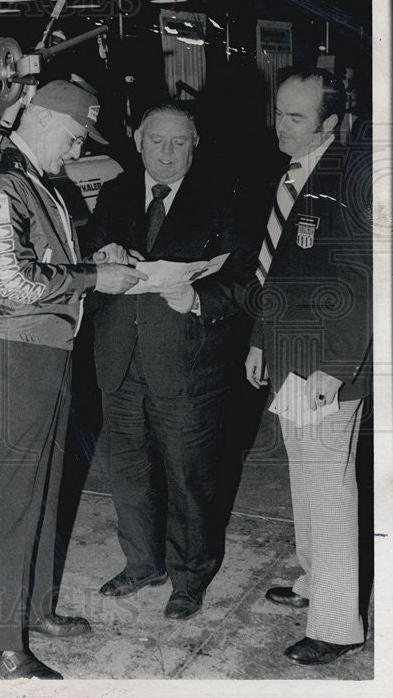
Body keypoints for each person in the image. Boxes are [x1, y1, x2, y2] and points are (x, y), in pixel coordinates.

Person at [0, 80, 146, 679]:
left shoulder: (41, 181)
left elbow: (49, 253)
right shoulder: (0, 184)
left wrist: (101, 252)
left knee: (47, 485)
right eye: (72, 135)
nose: (74, 148)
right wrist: (94, 277)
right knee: (14, 493)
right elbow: (12, 285)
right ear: (40, 120)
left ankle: (33, 610)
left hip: (48, 346)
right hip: (15, 351)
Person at [85, 102, 252, 621]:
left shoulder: (226, 196)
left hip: (189, 364)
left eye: (180, 142)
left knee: (190, 478)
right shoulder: (113, 191)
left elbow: (247, 281)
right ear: (136, 140)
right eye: (157, 140)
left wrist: (201, 299)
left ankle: (190, 576)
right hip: (120, 358)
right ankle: (142, 564)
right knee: (129, 471)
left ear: (196, 143)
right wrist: (100, 256)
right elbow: (90, 251)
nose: (167, 152)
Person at [245, 68, 372, 666]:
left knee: (329, 489)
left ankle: (338, 624)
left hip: (324, 365)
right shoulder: (298, 173)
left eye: (296, 117)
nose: (281, 125)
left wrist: (336, 368)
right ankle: (313, 583)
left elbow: (362, 279)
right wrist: (260, 341)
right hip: (291, 359)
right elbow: (281, 272)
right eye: (279, 112)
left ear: (329, 123)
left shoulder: (350, 178)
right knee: (304, 477)